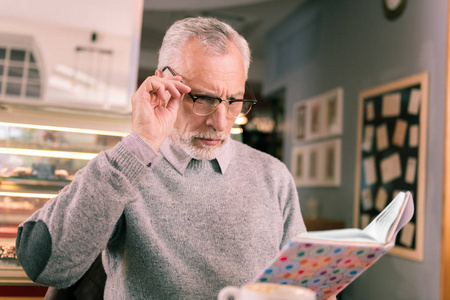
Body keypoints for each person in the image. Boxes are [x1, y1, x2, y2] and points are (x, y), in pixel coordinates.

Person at [16, 17, 306, 299]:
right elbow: (44, 263)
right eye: (203, 99)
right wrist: (140, 144)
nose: (220, 122)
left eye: (234, 102)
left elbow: (300, 280)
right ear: (163, 84)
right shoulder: (127, 168)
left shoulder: (273, 175)